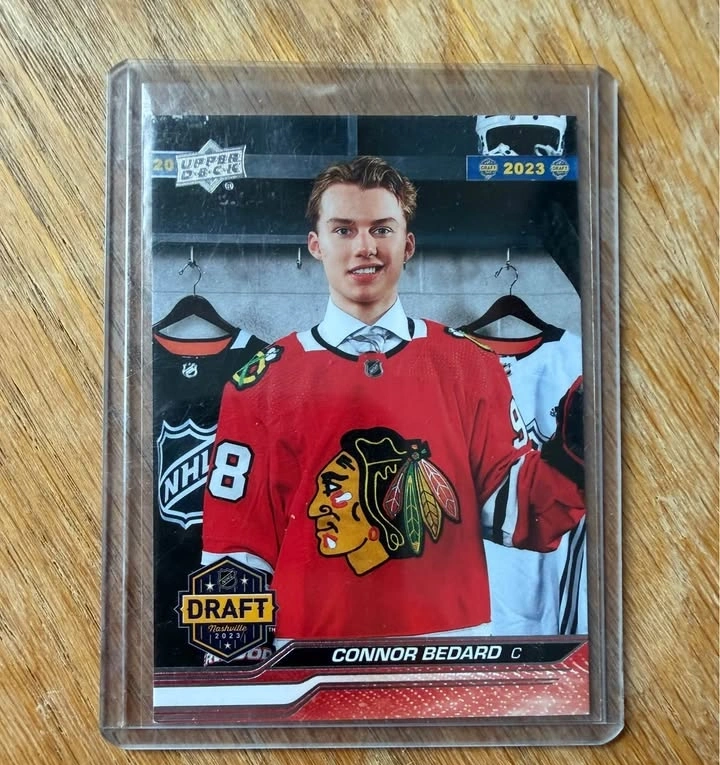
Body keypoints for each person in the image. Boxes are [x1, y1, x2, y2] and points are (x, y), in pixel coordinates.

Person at [201, 156, 584, 641]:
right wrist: (235, 665)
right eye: (344, 230)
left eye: (382, 229)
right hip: (306, 653)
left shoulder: (470, 363)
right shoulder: (260, 382)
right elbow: (235, 548)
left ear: (408, 244)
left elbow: (519, 515)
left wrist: (575, 451)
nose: (364, 247)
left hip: (445, 652)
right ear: (316, 245)